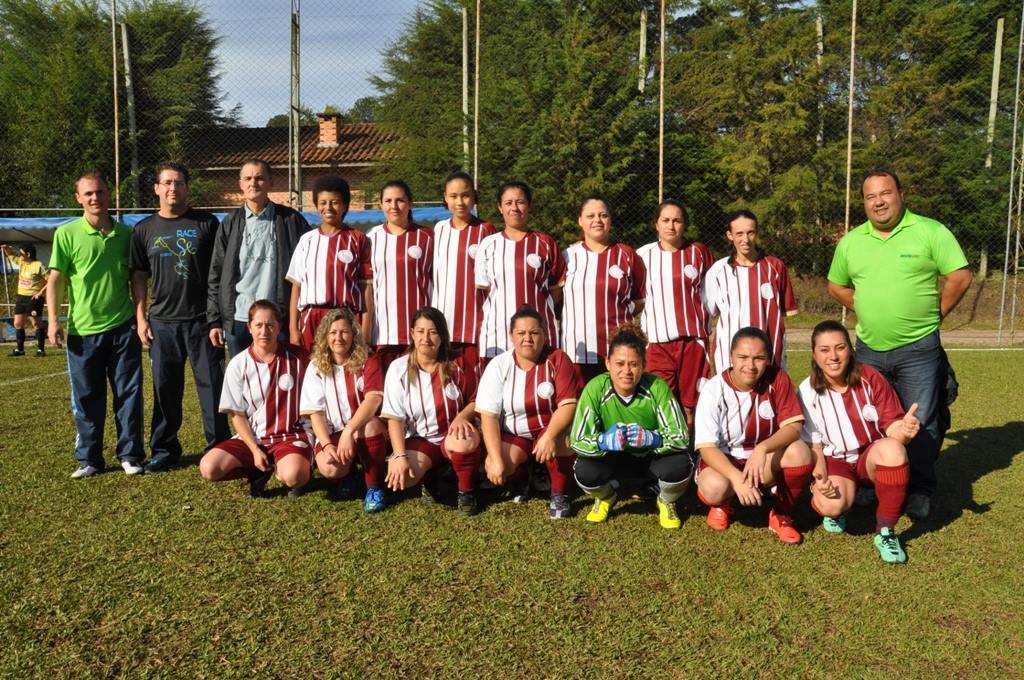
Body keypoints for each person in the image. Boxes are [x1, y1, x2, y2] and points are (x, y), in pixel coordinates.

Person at [827, 168, 972, 520]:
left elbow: (960, 276)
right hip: (870, 351)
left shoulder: (929, 231)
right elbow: (836, 285)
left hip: (919, 350)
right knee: (870, 418)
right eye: (870, 196)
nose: (878, 202)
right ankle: (871, 481)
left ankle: (920, 488)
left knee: (921, 421)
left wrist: (937, 313)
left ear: (901, 194)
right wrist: (864, 309)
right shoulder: (852, 241)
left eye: (885, 193)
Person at [130, 162, 229, 473]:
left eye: (179, 183)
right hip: (162, 323)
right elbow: (139, 276)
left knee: (212, 386)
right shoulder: (144, 229)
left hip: (203, 322)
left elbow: (220, 273)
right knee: (165, 388)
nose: (173, 188)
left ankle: (219, 447)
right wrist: (141, 317)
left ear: (187, 187)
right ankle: (164, 449)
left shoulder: (207, 223)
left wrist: (218, 319)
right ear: (157, 188)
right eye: (167, 183)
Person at [46, 171, 145, 478]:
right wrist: (53, 321)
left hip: (122, 328)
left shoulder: (126, 235)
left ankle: (130, 455)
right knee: (87, 397)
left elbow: (137, 280)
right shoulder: (66, 234)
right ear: (78, 198)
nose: (95, 198)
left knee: (129, 394)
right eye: (88, 193)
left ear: (109, 194)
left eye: (100, 192)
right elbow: (56, 279)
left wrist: (140, 316)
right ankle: (89, 459)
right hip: (81, 331)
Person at [799, 320, 918, 564]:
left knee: (893, 450)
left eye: (840, 347)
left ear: (850, 350)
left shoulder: (870, 378)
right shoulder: (806, 390)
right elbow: (814, 443)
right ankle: (843, 506)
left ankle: (885, 531)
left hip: (869, 458)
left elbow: (892, 426)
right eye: (824, 350)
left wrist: (904, 430)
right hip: (835, 461)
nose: (833, 356)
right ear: (814, 354)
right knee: (831, 505)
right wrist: (819, 478)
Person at [693, 327, 812, 544]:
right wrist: (736, 478)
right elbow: (706, 447)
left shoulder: (778, 379)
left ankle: (781, 514)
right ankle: (722, 504)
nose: (750, 365)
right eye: (743, 357)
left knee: (800, 453)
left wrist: (762, 448)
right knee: (714, 488)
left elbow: (794, 427)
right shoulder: (714, 389)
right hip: (725, 460)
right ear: (731, 357)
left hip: (761, 461)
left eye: (758, 358)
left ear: (767, 359)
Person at [570, 323, 692, 529]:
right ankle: (606, 497)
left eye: (634, 364)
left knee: (680, 465)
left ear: (644, 365)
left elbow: (682, 436)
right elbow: (577, 440)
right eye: (620, 363)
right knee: (584, 470)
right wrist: (602, 441)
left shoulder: (657, 387)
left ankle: (666, 501)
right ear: (608, 363)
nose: (626, 371)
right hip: (614, 459)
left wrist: (654, 438)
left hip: (650, 458)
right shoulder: (595, 389)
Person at [198, 300, 313, 497]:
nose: (264, 331)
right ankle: (257, 470)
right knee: (209, 467)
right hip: (255, 437)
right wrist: (254, 449)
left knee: (294, 475)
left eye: (270, 325)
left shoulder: (299, 358)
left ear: (279, 327)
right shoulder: (238, 364)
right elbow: (237, 415)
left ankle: (289, 467)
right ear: (249, 328)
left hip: (291, 435)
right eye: (258, 325)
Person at [477, 306, 579, 519]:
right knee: (497, 464)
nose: (528, 339)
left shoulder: (558, 359)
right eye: (521, 333)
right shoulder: (499, 365)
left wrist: (550, 435)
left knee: (564, 439)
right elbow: (489, 416)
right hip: (514, 434)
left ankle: (559, 494)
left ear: (544, 334)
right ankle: (522, 477)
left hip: (548, 430)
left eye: (534, 333)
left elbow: (568, 405)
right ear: (511, 335)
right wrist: (495, 459)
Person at [380, 307, 482, 516]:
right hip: (420, 438)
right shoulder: (398, 368)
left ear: (443, 336)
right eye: (420, 331)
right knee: (404, 478)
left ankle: (466, 492)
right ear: (412, 333)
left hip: (452, 434)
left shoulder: (458, 363)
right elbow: (395, 418)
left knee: (463, 442)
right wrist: (399, 455)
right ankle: (432, 477)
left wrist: (462, 417)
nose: (426, 338)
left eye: (433, 332)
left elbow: (475, 401)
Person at [207, 158, 310, 358]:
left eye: (260, 178)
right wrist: (215, 320)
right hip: (239, 319)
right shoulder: (229, 224)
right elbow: (216, 274)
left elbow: (308, 271)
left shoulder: (291, 220)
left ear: (271, 183)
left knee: (280, 379)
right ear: (240, 185)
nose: (253, 183)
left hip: (278, 317)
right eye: (248, 178)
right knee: (244, 380)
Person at [299, 308, 389, 511]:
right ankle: (347, 477)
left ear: (354, 334)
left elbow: (374, 399)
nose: (338, 338)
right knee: (329, 468)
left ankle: (374, 487)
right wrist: (327, 444)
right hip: (333, 433)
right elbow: (316, 413)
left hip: (362, 430)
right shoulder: (316, 366)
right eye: (333, 333)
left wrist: (349, 430)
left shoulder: (368, 360)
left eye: (344, 332)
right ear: (325, 336)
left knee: (372, 427)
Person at [637, 199, 714, 435]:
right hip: (658, 343)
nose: (671, 226)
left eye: (677, 220)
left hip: (692, 342)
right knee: (662, 402)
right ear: (656, 224)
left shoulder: (699, 252)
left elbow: (712, 292)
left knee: (692, 406)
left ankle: (694, 453)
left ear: (684, 225)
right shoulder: (642, 256)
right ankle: (667, 453)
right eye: (666, 220)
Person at [475, 182, 566, 362]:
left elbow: (556, 289)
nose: (514, 208)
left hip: (538, 335)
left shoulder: (545, 243)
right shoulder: (488, 245)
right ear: (500, 208)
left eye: (520, 202)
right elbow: (484, 291)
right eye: (508, 203)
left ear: (529, 206)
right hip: (497, 334)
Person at [561, 194, 645, 384]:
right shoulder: (567, 256)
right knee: (580, 409)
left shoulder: (627, 255)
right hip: (577, 352)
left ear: (610, 219)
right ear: (580, 221)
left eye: (603, 215)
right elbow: (555, 297)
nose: (597, 220)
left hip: (617, 352)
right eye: (591, 216)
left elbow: (639, 300)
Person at [286, 174, 372, 352]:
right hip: (312, 316)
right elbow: (297, 286)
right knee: (312, 371)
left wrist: (365, 331)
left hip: (346, 317)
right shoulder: (307, 240)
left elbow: (366, 289)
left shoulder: (358, 239)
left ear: (345, 205)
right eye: (323, 202)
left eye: (334, 202)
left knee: (346, 371)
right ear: (317, 205)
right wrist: (293, 329)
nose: (328, 207)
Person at [705, 209, 797, 372]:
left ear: (757, 233)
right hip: (730, 357)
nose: (745, 239)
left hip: (769, 354)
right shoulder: (718, 271)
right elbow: (711, 310)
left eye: (750, 233)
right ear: (729, 235)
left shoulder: (775, 267)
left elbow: (782, 312)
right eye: (739, 233)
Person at [431, 171, 496, 371]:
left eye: (466, 195)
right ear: (445, 197)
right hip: (444, 321)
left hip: (475, 322)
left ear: (474, 196)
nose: (460, 201)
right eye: (453, 196)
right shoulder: (439, 229)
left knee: (473, 380)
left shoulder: (486, 230)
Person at [366, 180, 433, 367]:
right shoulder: (371, 238)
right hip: (382, 333)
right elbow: (367, 288)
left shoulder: (427, 237)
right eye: (388, 201)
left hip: (420, 333)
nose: (393, 206)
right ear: (381, 204)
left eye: (400, 200)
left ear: (410, 203)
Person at [2, 243, 48, 356]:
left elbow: (51, 280)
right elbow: (11, 255)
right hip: (21, 298)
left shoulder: (39, 265)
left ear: (28, 254)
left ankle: (41, 350)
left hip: (33, 298)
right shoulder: (22, 262)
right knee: (18, 323)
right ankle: (20, 349)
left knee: (36, 323)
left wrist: (40, 293)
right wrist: (6, 248)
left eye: (21, 253)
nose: (19, 255)